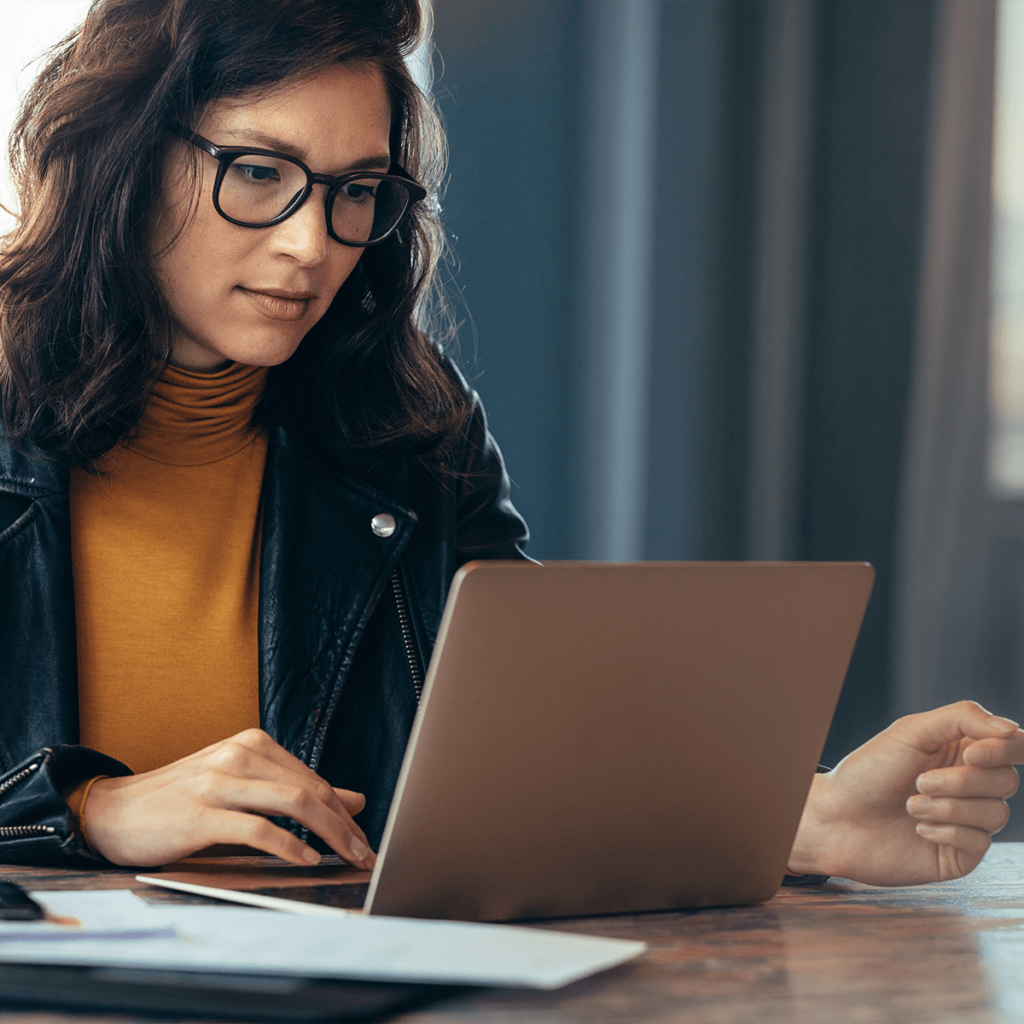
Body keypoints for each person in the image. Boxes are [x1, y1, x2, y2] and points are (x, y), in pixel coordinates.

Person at [0, 0, 1021, 888]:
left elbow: (526, 756)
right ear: (125, 152)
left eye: (356, 190)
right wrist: (89, 810)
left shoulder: (403, 425)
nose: (312, 245)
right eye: (260, 171)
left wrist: (812, 814)